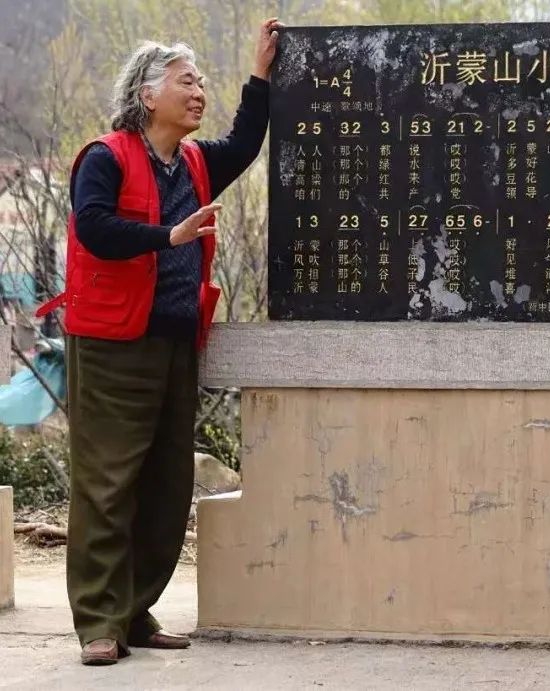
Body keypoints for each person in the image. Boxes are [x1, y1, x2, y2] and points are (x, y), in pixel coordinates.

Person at [36, 18, 282, 666]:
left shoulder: (195, 161)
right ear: (147, 94)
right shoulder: (106, 156)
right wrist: (167, 236)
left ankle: (134, 612)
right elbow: (93, 228)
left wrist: (258, 75)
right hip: (115, 341)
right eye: (186, 81)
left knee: (165, 485)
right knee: (108, 483)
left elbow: (244, 143)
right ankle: (97, 618)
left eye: (201, 82)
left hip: (175, 340)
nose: (198, 92)